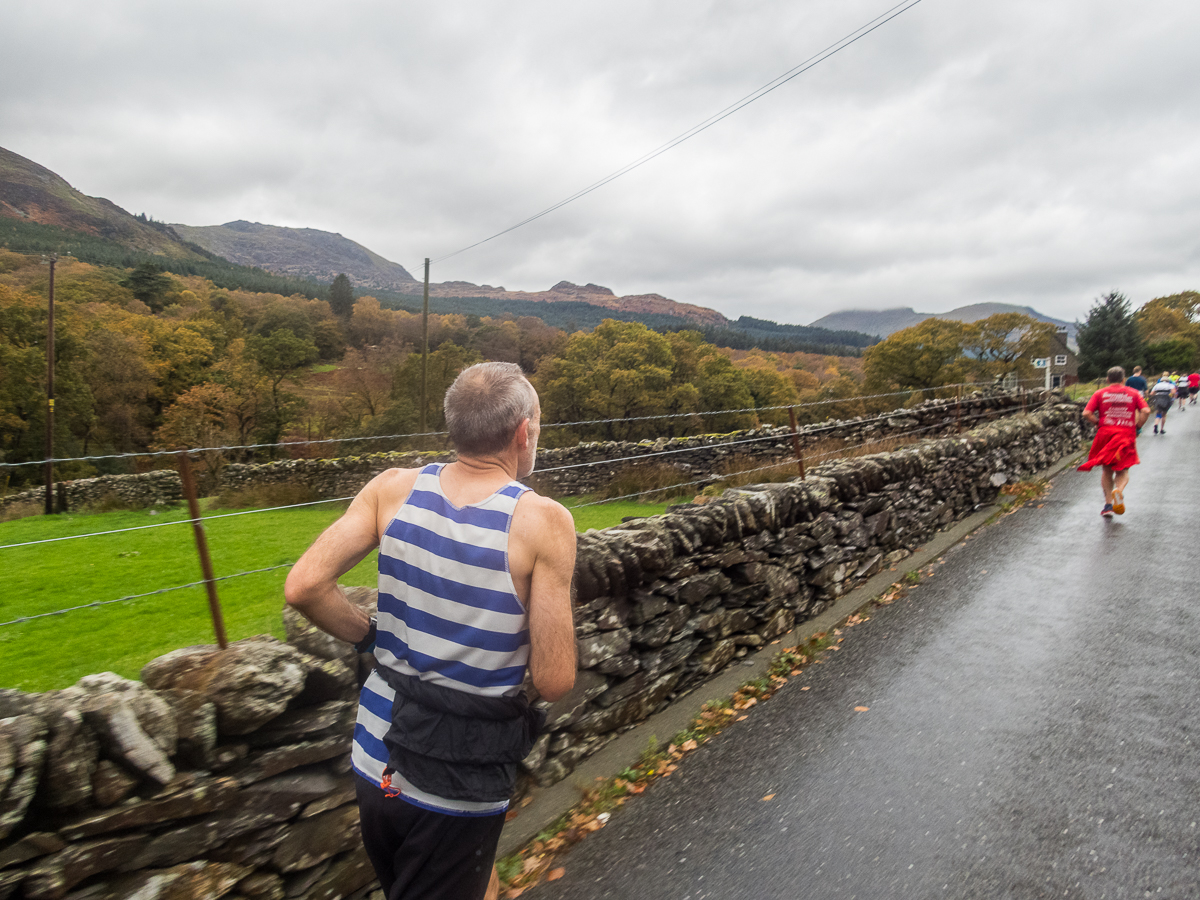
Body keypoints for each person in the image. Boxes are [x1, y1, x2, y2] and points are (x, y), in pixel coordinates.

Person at [285, 362, 577, 900]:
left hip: (374, 755)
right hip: (458, 775)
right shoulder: (542, 521)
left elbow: (304, 586)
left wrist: (369, 636)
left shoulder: (391, 489)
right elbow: (555, 678)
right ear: (523, 431)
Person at [1079, 366, 1150, 518]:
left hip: (1106, 434)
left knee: (1107, 469)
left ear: (1107, 379)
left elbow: (1086, 413)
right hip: (1126, 434)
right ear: (1123, 379)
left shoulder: (1100, 393)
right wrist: (1138, 426)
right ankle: (1119, 490)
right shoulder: (1134, 393)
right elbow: (1146, 411)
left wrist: (1097, 422)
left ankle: (1108, 505)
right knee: (1123, 470)